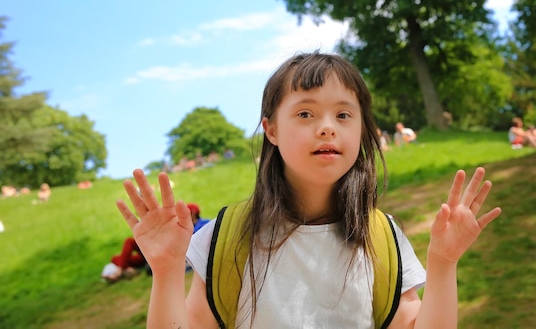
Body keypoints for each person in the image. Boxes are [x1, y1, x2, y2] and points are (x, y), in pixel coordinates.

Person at [117, 52, 501, 328]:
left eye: (344, 114)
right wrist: (167, 271)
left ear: (361, 131)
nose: (327, 127)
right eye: (305, 113)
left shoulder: (383, 239)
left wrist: (444, 263)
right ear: (271, 130)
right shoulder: (226, 238)